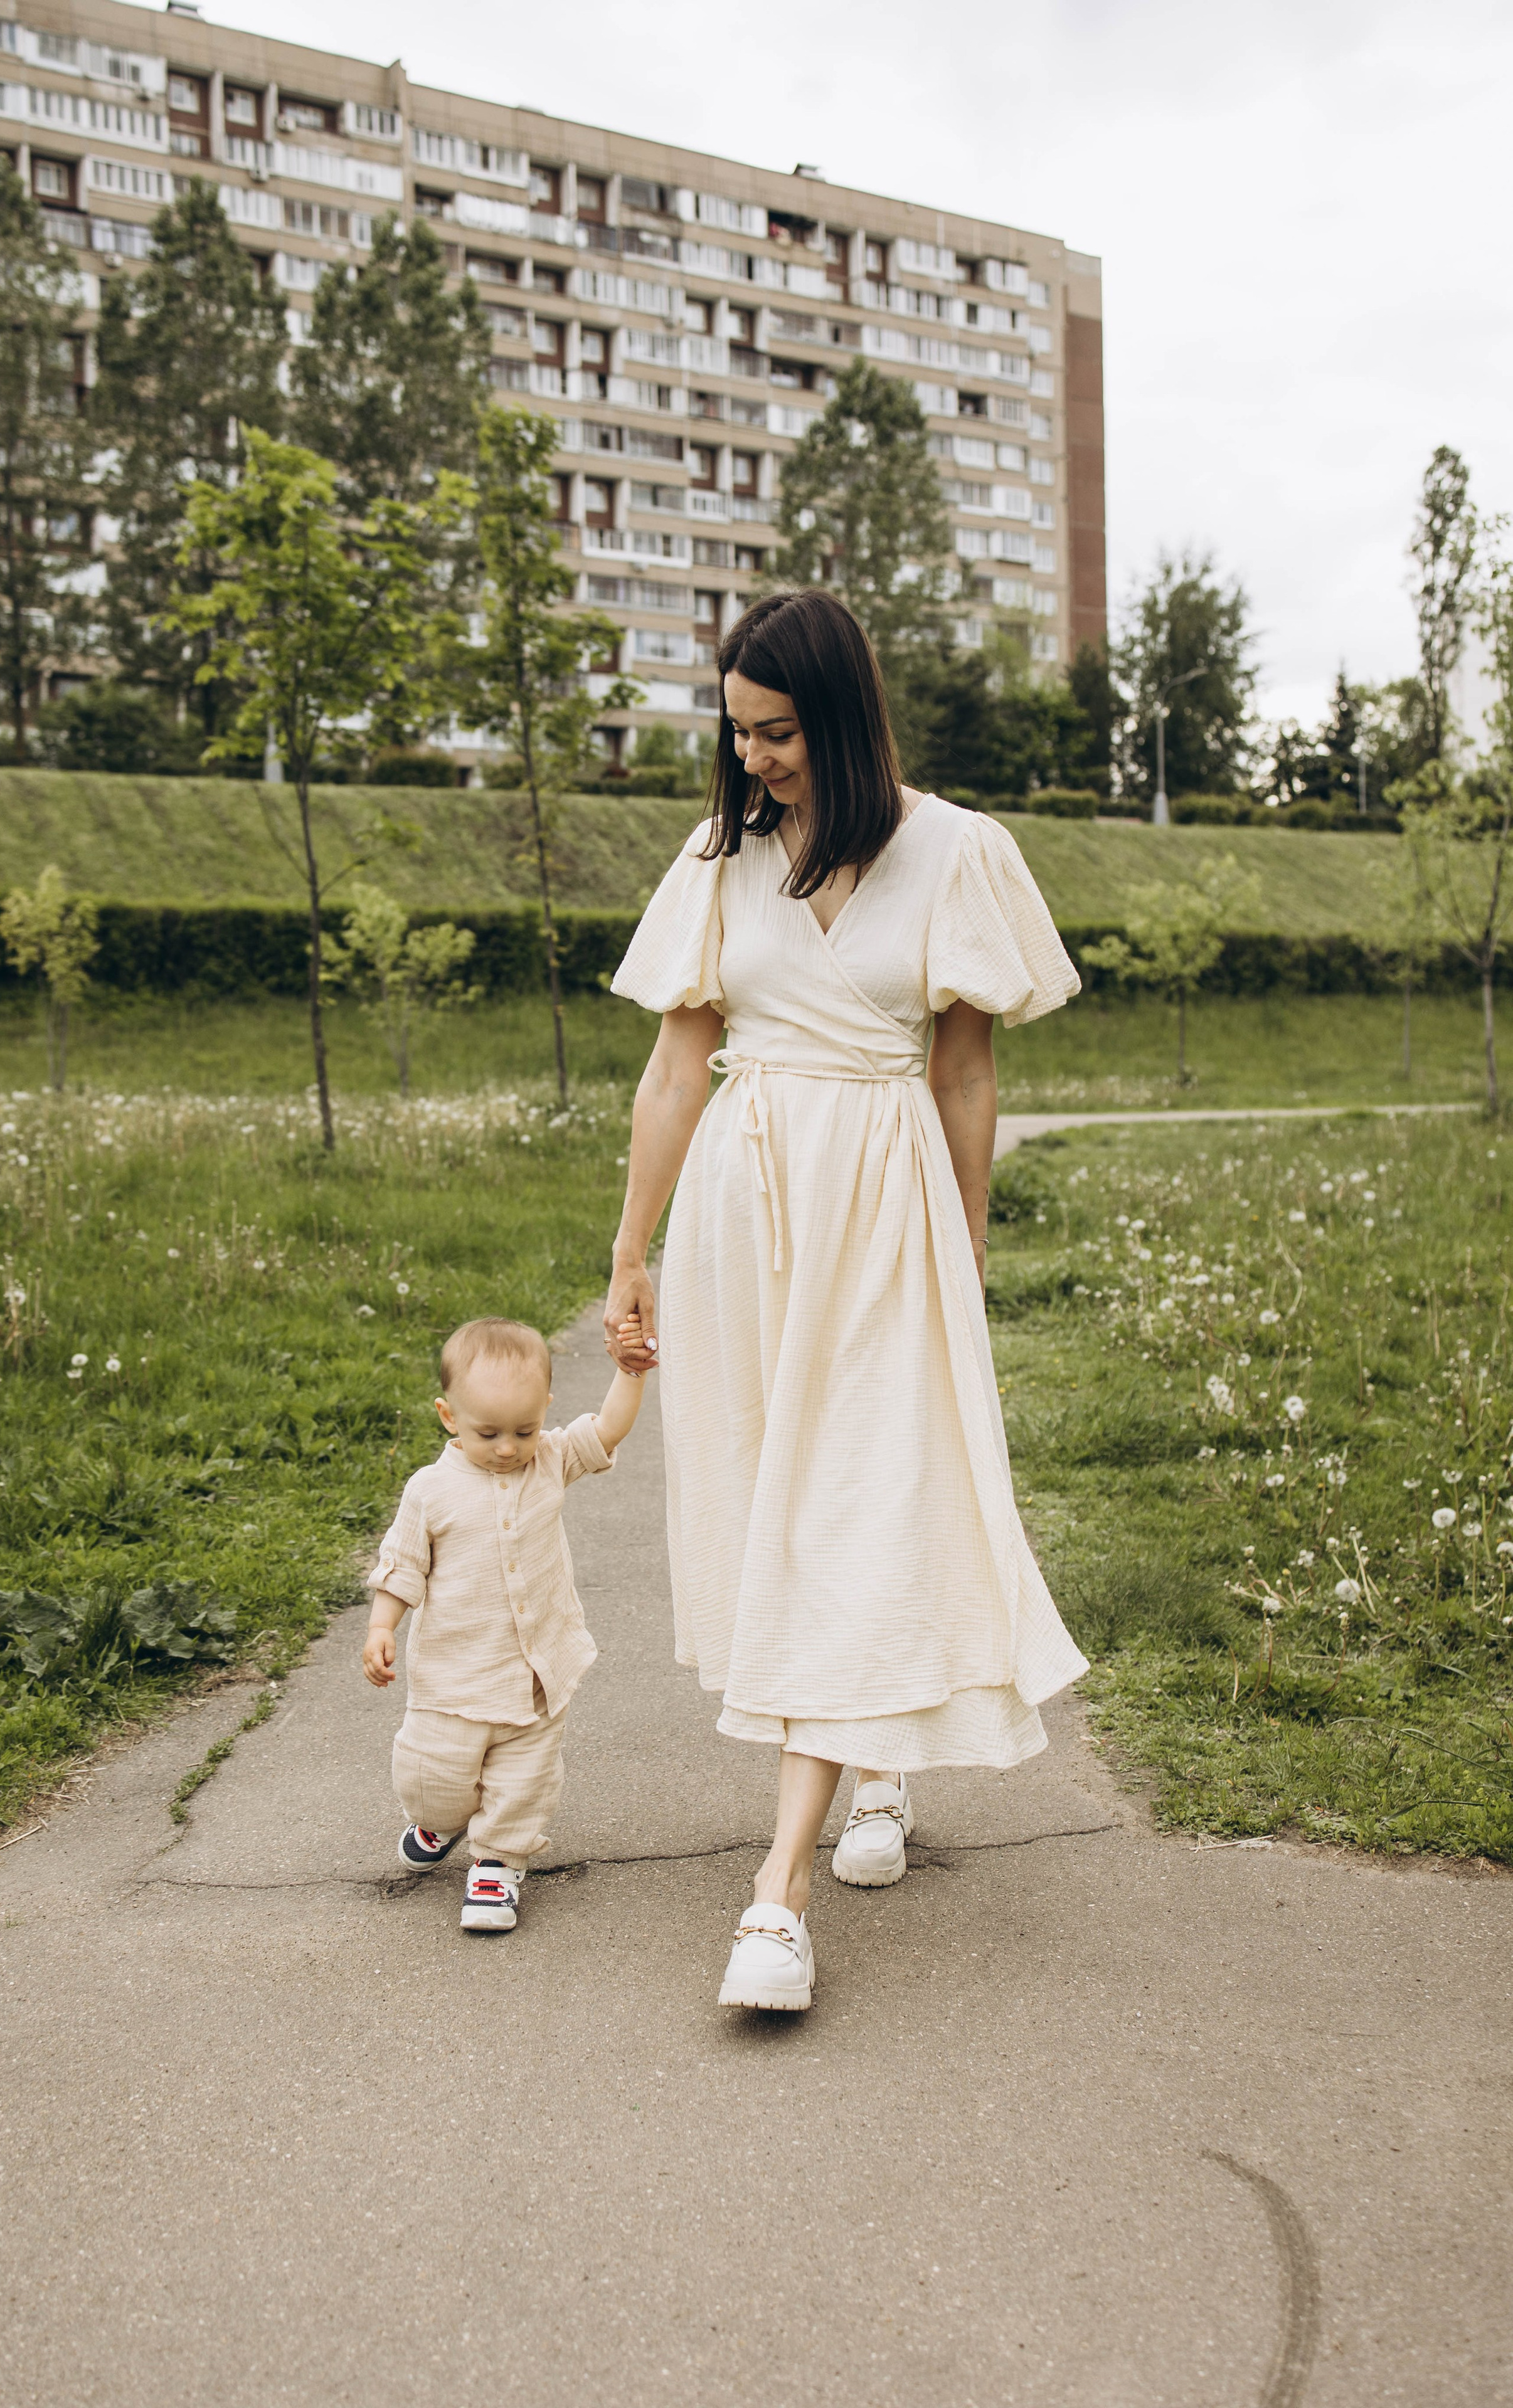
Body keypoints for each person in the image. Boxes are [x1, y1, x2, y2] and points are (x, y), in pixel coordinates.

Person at [603, 588, 1089, 2012]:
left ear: (842, 715)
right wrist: (628, 1249)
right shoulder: (716, 859)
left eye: (778, 730)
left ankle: (778, 1891)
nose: (753, 757)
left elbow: (961, 1073)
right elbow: (671, 1070)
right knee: (781, 1503)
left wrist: (968, 1250)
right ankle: (872, 1759)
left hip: (883, 1207)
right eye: (737, 731)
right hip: (741, 1217)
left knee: (852, 1500)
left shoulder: (955, 853)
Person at [363, 1314, 650, 1933]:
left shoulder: (548, 1459)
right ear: (448, 1417)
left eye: (523, 1429)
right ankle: (442, 1820)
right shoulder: (430, 1491)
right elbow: (402, 1566)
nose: (506, 1447)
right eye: (487, 1432)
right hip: (451, 1676)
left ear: (544, 1410)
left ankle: (498, 1863)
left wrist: (628, 1375)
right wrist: (382, 1627)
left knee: (523, 1781)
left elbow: (605, 1431)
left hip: (534, 1674)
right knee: (432, 1779)